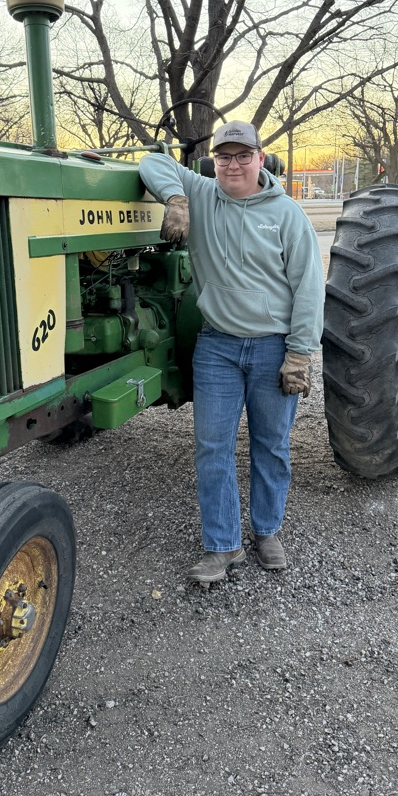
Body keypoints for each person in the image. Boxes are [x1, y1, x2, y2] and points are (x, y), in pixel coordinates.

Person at [139, 121, 324, 584]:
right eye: (225, 157)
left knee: (271, 445)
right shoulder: (202, 194)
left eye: (244, 155)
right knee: (212, 447)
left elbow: (309, 288)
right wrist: (176, 199)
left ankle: (267, 532)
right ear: (213, 162)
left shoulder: (287, 215)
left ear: (261, 159)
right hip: (217, 348)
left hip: (272, 348)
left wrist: (299, 355)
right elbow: (151, 160)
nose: (234, 164)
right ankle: (223, 545)